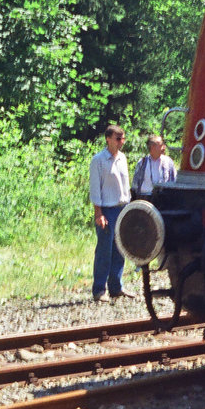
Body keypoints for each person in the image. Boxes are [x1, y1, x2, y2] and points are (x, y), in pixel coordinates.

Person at [88, 124, 135, 302]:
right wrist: (98, 212)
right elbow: (95, 188)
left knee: (119, 249)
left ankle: (116, 286)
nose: (121, 142)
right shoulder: (98, 160)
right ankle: (99, 289)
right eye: (118, 138)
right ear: (108, 139)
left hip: (122, 208)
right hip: (106, 209)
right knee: (104, 251)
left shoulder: (122, 158)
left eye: (123, 138)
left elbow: (125, 185)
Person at [131, 134, 177, 201]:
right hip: (144, 199)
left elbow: (174, 181)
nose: (164, 147)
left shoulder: (168, 162)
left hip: (163, 199)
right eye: (161, 145)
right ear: (152, 147)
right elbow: (135, 185)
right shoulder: (142, 163)